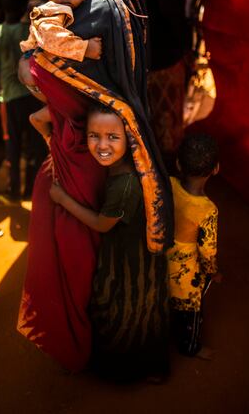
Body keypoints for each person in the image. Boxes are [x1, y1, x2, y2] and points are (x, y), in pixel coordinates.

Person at [18, 0, 173, 372]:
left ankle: (85, 336)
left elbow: (47, 47)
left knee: (81, 243)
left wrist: (34, 61)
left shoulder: (104, 8)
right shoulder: (134, 6)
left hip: (90, 137)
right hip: (114, 129)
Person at [50, 104, 169, 382]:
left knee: (128, 312)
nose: (102, 145)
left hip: (130, 262)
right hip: (130, 254)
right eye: (94, 135)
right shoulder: (123, 167)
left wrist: (62, 199)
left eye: (113, 137)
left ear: (128, 138)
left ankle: (130, 371)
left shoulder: (124, 185)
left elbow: (102, 224)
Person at [0, 0, 46, 199]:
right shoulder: (29, 31)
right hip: (33, 95)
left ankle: (14, 191)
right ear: (23, 6)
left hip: (9, 97)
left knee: (13, 144)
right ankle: (32, 189)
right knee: (34, 145)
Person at [167, 133, 220, 358]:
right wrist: (212, 272)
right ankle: (191, 347)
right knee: (191, 311)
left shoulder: (168, 183)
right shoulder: (208, 210)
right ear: (215, 169)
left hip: (161, 258)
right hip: (186, 273)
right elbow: (207, 250)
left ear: (178, 163)